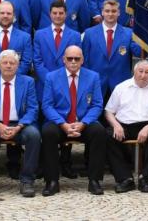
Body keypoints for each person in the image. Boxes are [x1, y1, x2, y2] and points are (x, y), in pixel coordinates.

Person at [0, 49, 42, 198]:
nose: (9, 66)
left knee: (34, 135)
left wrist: (18, 127)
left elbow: (32, 109)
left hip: (20, 124)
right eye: (5, 62)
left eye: (12, 63)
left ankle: (27, 180)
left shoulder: (28, 82)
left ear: (17, 66)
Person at [41, 45, 108, 196]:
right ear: (63, 59)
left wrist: (83, 123)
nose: (73, 62)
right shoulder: (51, 77)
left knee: (99, 131)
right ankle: (52, 181)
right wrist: (63, 124)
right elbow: (47, 105)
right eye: (69, 58)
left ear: (82, 60)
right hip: (60, 123)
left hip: (83, 122)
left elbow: (97, 104)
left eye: (76, 59)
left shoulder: (93, 77)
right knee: (47, 132)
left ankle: (94, 180)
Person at [104, 60, 148, 193]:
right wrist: (116, 125)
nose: (143, 75)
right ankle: (125, 178)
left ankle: (144, 177)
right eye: (140, 71)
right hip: (124, 125)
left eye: (147, 72)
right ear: (134, 72)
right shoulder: (121, 87)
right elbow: (109, 111)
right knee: (107, 135)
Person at [82, 0, 140, 97]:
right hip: (96, 84)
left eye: (114, 11)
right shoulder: (89, 33)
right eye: (107, 11)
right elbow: (85, 61)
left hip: (121, 85)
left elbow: (139, 52)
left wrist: (143, 34)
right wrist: (87, 81)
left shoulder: (128, 33)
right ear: (102, 12)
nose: (110, 14)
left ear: (119, 13)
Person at [32, 0, 83, 101]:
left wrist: (62, 79)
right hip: (44, 84)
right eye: (55, 13)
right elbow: (37, 61)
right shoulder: (39, 34)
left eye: (61, 13)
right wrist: (49, 79)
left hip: (66, 83)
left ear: (66, 14)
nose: (58, 16)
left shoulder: (75, 36)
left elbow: (76, 60)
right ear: (50, 14)